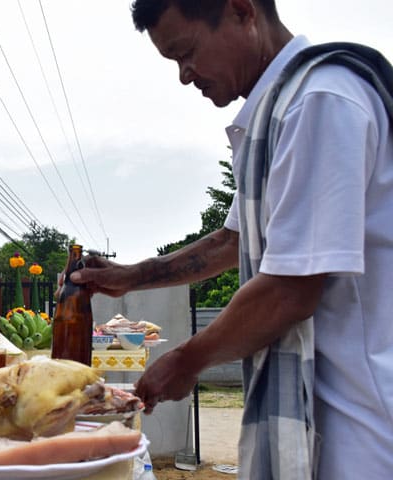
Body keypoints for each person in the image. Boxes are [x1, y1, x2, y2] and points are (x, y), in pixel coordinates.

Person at [69, 1, 393, 478]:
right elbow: (231, 241)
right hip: (330, 409)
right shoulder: (284, 108)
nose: (185, 75)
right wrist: (126, 278)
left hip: (361, 423)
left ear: (242, 12)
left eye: (187, 52)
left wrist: (187, 360)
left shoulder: (320, 101)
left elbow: (290, 288)